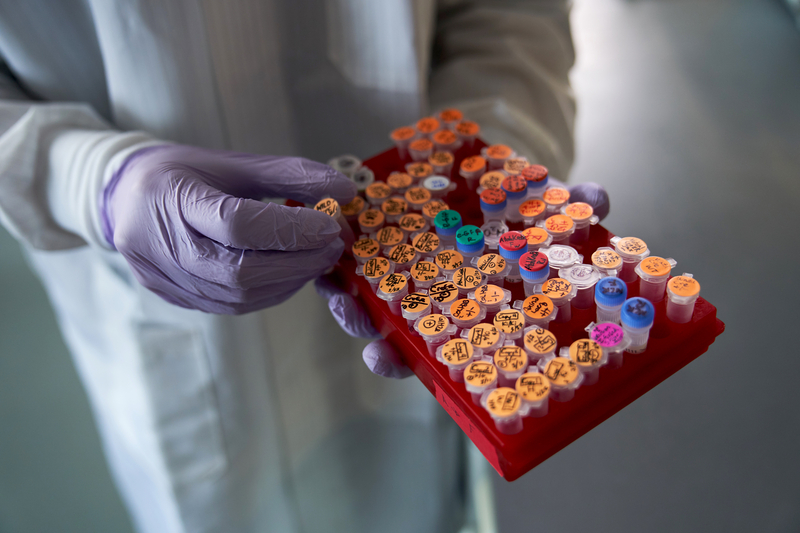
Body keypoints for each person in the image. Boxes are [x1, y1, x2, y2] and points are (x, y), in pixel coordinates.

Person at [0, 1, 596, 532]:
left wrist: (485, 163)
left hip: (429, 270)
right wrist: (86, 175)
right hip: (178, 324)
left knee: (410, 490)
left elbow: (511, 14)